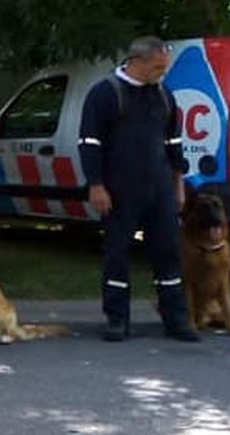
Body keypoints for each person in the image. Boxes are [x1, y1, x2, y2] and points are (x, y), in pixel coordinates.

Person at [80, 36, 199, 342]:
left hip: (159, 188)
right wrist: (96, 186)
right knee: (118, 253)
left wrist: (178, 187)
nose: (162, 73)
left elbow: (174, 143)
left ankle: (176, 319)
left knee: (168, 253)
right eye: (158, 67)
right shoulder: (105, 94)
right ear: (138, 61)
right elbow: (89, 143)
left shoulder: (163, 95)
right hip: (119, 188)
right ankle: (117, 319)